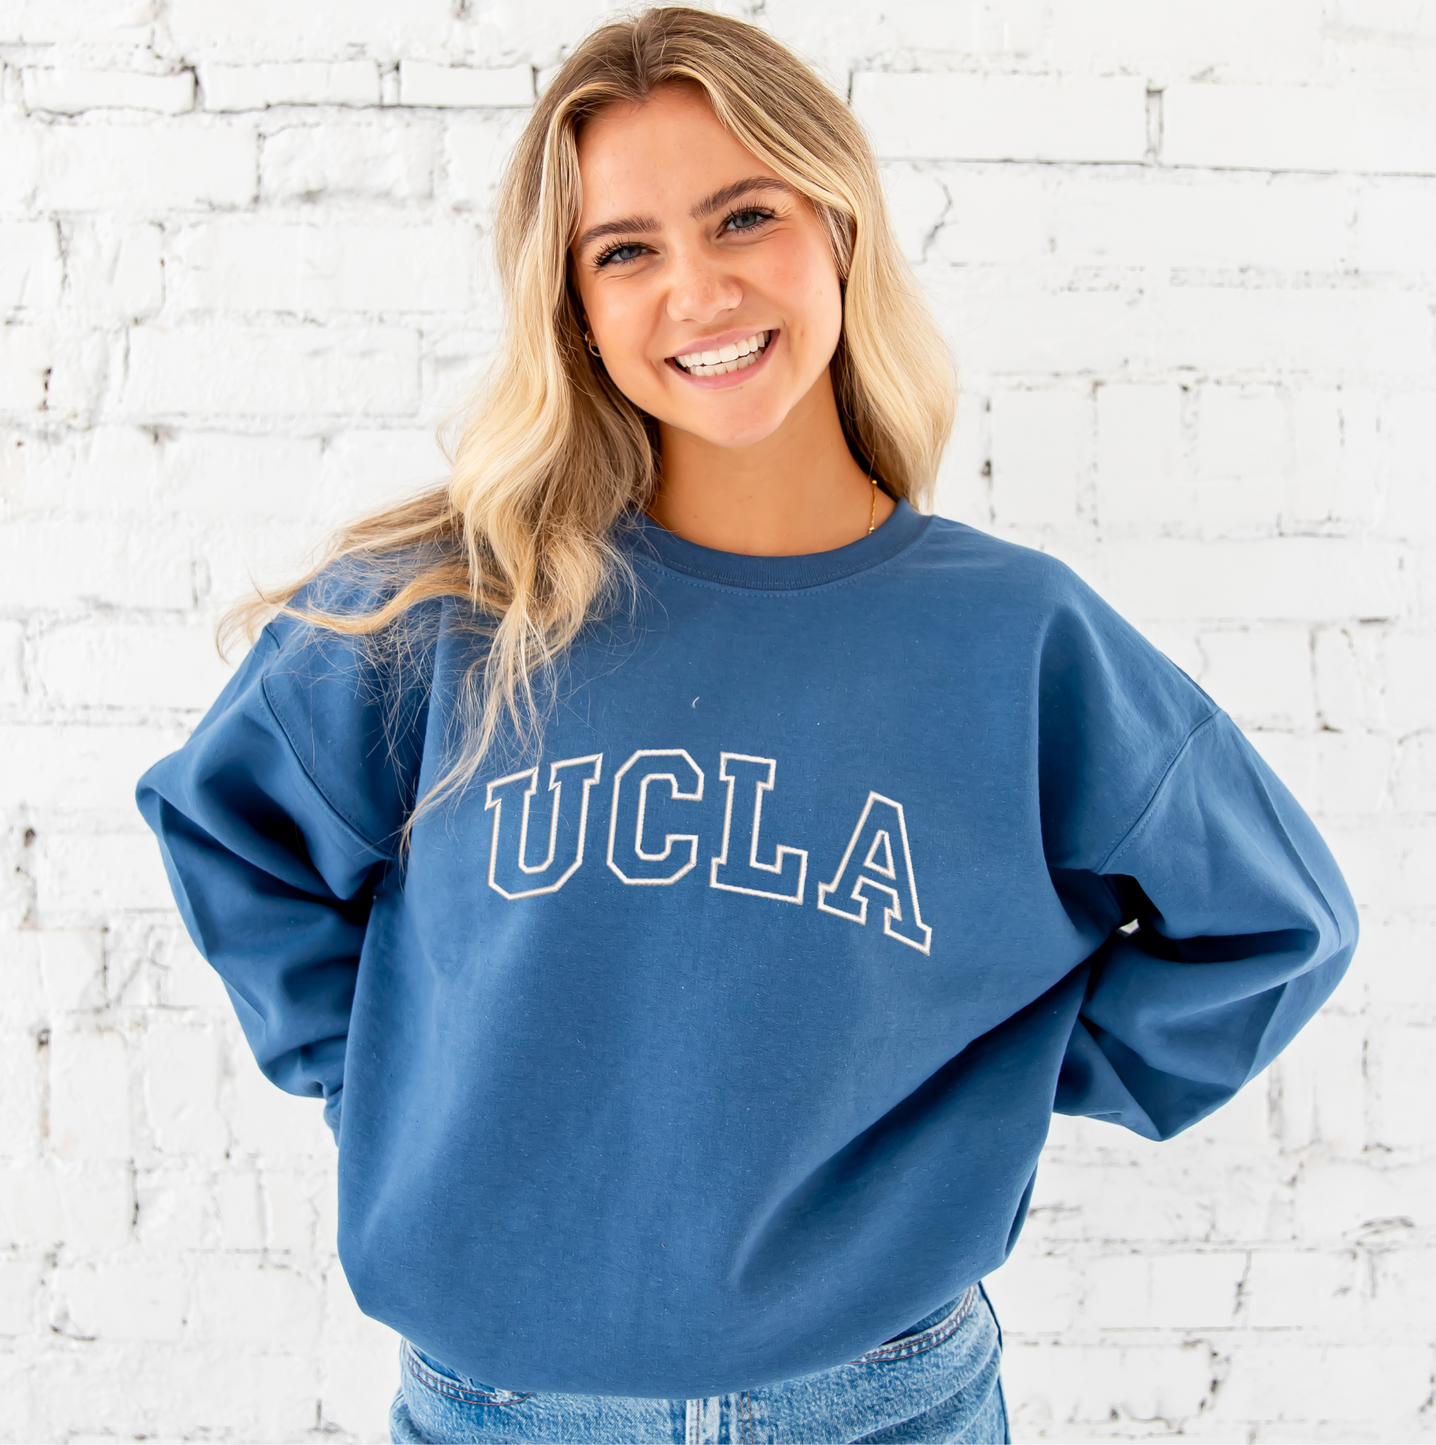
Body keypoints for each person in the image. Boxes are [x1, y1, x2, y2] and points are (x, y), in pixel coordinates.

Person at [135, 9, 1357, 1443]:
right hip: (503, 1409)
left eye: (744, 216)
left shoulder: (1015, 636)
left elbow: (1273, 928)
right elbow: (233, 830)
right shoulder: (448, 611)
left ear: (836, 225)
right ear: (574, 309)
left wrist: (975, 1093)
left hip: (884, 1403)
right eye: (627, 250)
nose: (699, 290)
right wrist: (402, 1081)